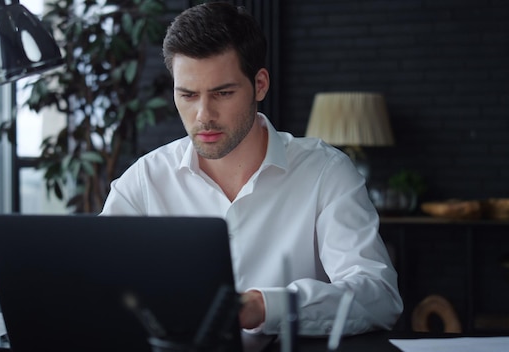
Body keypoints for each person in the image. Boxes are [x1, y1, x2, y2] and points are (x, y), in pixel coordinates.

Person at [101, 1, 402, 336]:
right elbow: (96, 289)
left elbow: (379, 297)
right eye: (187, 95)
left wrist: (265, 306)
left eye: (223, 93)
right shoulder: (144, 182)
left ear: (260, 84)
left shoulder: (325, 172)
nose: (203, 115)